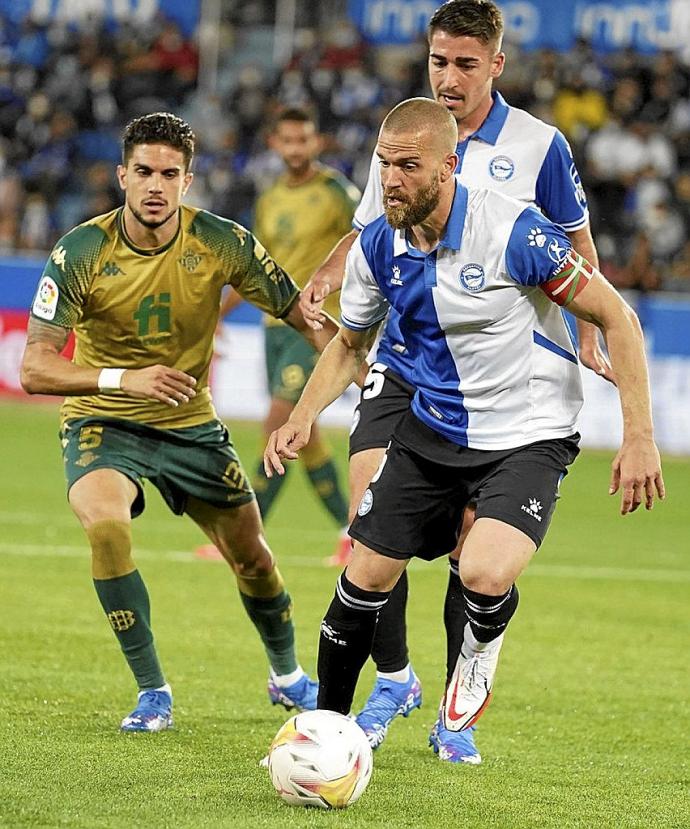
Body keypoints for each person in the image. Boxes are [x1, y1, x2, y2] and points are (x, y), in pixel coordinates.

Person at [265, 98, 664, 763]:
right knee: (361, 578)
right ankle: (323, 735)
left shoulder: (515, 233)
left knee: (481, 569)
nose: (391, 180)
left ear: (449, 166)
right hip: (434, 426)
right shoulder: (376, 244)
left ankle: (475, 654)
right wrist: (303, 416)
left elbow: (618, 316)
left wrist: (639, 433)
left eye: (408, 166)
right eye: (384, 165)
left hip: (527, 431)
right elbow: (349, 342)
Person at [20, 112, 339, 732]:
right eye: (143, 172)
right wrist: (122, 379)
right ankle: (152, 691)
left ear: (188, 181)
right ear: (122, 176)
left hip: (191, 425)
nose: (156, 186)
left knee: (253, 559)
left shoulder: (221, 241)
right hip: (104, 421)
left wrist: (370, 360)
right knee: (106, 527)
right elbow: (35, 367)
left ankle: (288, 674)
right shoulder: (81, 250)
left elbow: (304, 318)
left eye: (170, 174)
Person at [198, 108, 359, 562]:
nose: (295, 148)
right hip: (274, 327)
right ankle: (353, 531)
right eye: (287, 140)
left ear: (316, 143)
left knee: (278, 422)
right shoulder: (269, 200)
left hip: (317, 326)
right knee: (303, 437)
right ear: (274, 143)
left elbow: (369, 241)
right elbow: (257, 269)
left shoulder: (337, 193)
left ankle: (245, 536)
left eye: (303, 139)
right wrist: (219, 313)